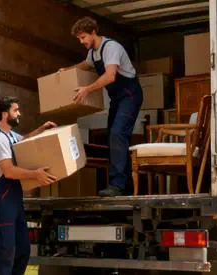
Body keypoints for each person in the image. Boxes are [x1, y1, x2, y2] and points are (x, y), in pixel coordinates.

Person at [63, 16, 143, 197]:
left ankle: (117, 185)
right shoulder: (93, 52)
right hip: (117, 98)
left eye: (83, 37)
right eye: (79, 39)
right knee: (113, 136)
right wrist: (69, 70)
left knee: (117, 134)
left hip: (129, 95)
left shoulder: (111, 48)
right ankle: (126, 185)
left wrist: (87, 90)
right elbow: (86, 64)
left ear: (93, 32)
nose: (81, 41)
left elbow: (110, 76)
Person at [0, 96, 58, 275]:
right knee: (6, 252)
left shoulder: (10, 135)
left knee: (23, 250)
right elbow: (9, 171)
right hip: (2, 202)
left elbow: (24, 140)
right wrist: (36, 175)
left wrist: (43, 128)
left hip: (14, 200)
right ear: (4, 114)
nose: (19, 113)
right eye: (15, 110)